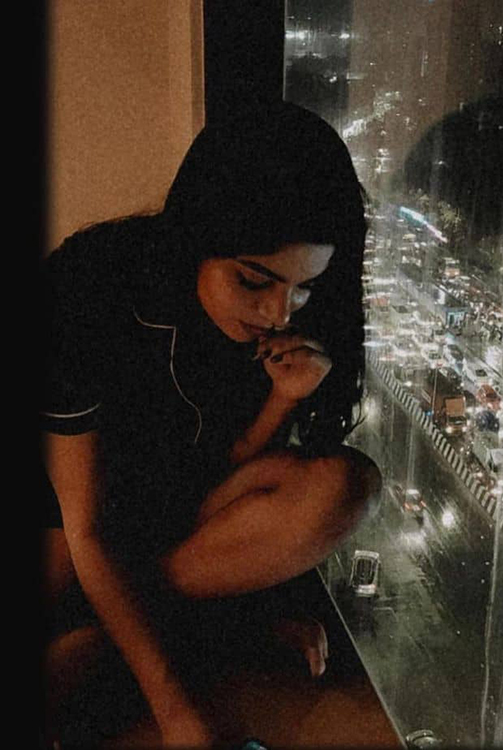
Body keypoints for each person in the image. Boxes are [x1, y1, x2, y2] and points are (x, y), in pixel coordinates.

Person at [40, 101, 381, 748]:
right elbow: (87, 524)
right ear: (197, 236)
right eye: (254, 280)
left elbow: (223, 467)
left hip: (167, 514)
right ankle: (169, 639)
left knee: (344, 489)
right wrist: (177, 707)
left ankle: (108, 638)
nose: (281, 313)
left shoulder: (278, 323)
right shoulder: (87, 287)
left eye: (304, 287)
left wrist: (282, 399)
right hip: (64, 518)